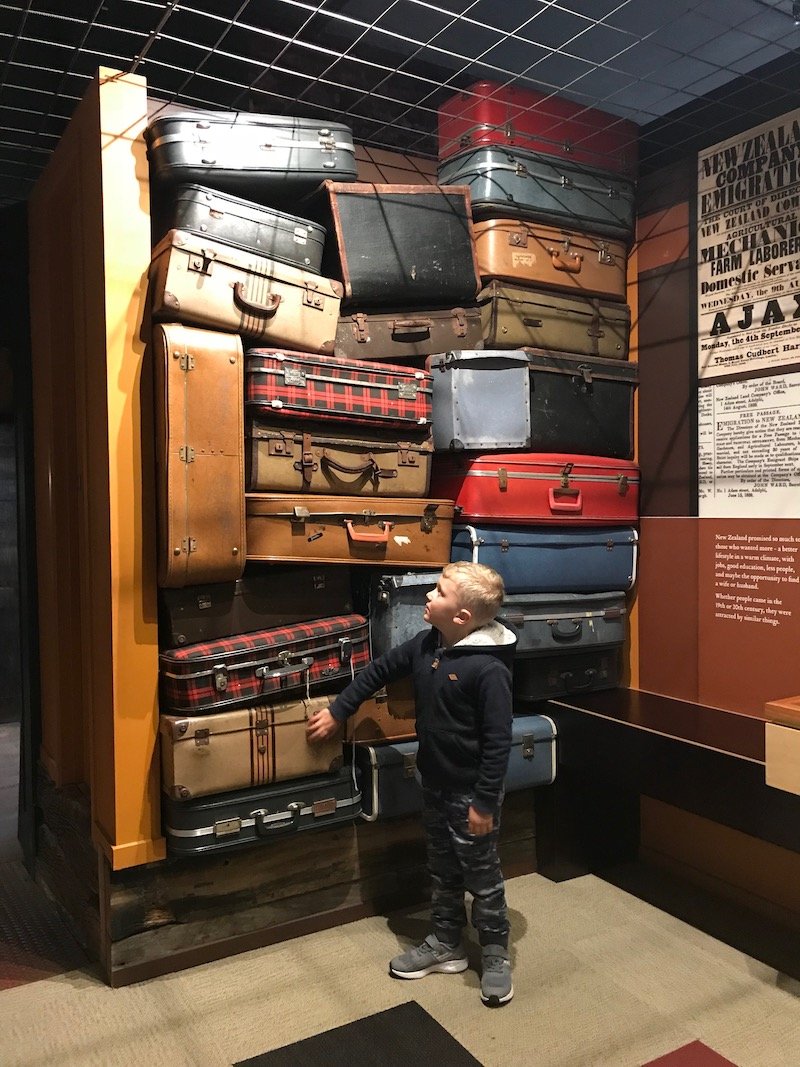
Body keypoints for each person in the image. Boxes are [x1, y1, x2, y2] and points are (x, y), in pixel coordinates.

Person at [306, 561, 517, 1007]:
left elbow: (499, 743)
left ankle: (496, 952)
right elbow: (378, 670)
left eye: (438, 592)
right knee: (442, 869)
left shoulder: (489, 670)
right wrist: (340, 710)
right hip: (435, 782)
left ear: (461, 617)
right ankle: (447, 943)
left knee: (481, 875)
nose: (427, 596)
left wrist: (483, 803)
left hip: (473, 794)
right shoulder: (428, 645)